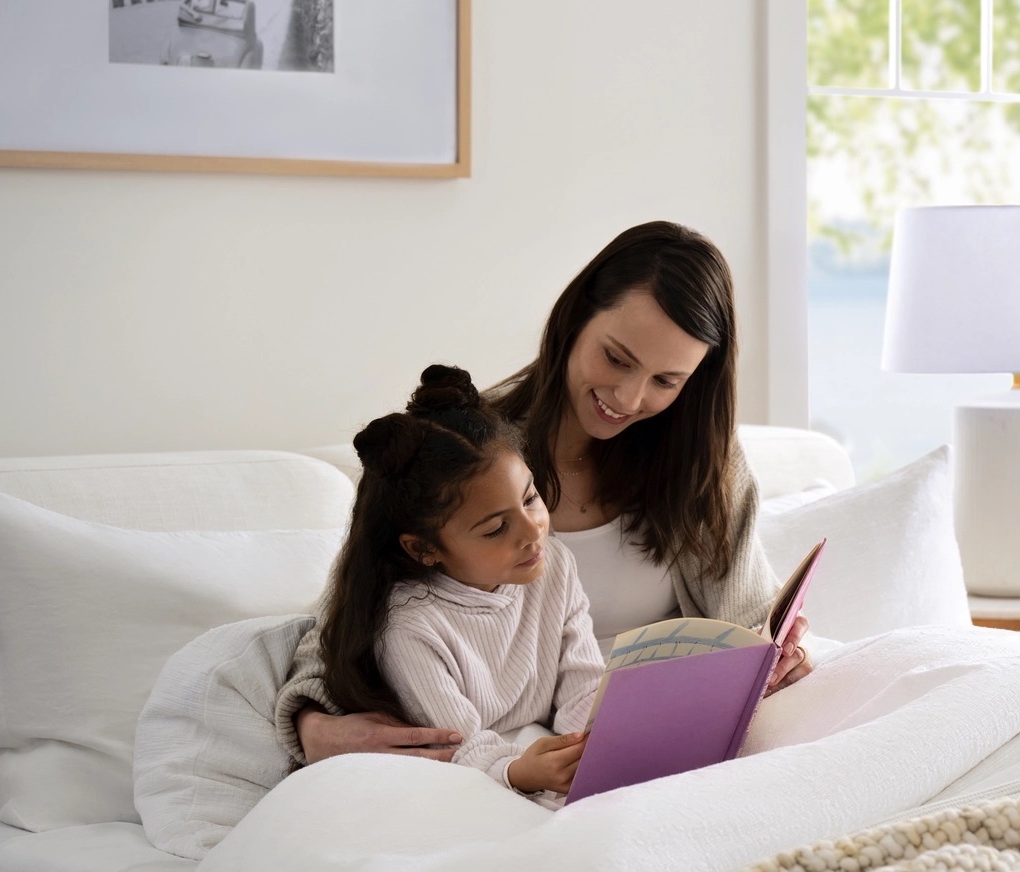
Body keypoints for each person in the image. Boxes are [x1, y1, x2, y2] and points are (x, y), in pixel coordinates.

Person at [275, 222, 813, 765]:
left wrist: (780, 657)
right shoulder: (471, 451)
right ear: (575, 319)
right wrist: (311, 724)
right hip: (504, 748)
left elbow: (749, 619)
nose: (628, 398)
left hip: (648, 731)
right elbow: (347, 614)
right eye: (617, 359)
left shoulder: (705, 465)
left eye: (666, 382)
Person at [324, 366, 599, 800]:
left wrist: (590, 741)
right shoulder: (409, 625)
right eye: (495, 529)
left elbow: (582, 682)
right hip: (471, 781)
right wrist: (518, 771)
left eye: (530, 498)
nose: (533, 531)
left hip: (541, 762)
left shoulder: (554, 565)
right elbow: (456, 743)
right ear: (423, 549)